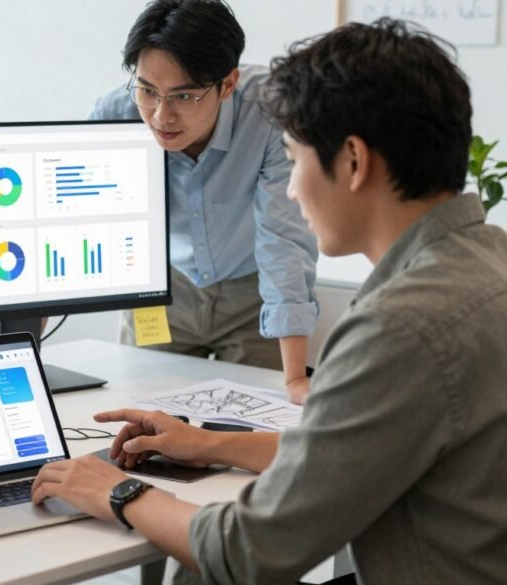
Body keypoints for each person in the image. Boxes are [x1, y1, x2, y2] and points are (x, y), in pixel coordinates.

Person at [35, 18, 507, 584]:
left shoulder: (399, 328)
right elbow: (341, 458)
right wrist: (211, 444)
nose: (288, 187)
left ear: (353, 162)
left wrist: (116, 490)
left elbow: (249, 551)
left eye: (294, 157)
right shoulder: (488, 261)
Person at [90, 0, 318, 403]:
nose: (161, 116)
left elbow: (283, 239)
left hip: (254, 295)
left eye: (183, 96)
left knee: (254, 422)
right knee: (143, 418)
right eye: (147, 90)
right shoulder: (115, 115)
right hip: (164, 293)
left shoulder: (271, 112)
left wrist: (296, 379)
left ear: (227, 84)